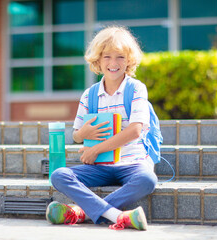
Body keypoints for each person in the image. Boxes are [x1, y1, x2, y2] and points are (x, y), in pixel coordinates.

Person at [45, 26, 157, 231]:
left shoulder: (136, 89)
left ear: (129, 60)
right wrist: (83, 134)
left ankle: (80, 212)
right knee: (59, 175)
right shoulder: (90, 95)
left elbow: (135, 131)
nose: (113, 63)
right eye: (107, 57)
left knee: (148, 179)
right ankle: (116, 215)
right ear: (97, 61)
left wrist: (96, 149)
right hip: (100, 166)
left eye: (120, 57)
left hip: (132, 163)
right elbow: (76, 135)